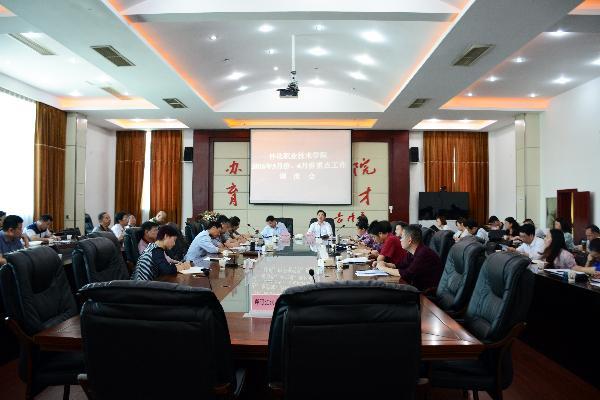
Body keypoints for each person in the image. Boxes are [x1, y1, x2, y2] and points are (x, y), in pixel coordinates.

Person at [375, 224, 443, 290]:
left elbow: (407, 274)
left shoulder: (423, 253)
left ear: (410, 240)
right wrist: (384, 264)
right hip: (415, 287)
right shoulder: (412, 252)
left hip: (425, 292)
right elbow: (399, 265)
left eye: (402, 237)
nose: (400, 240)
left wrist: (383, 268)